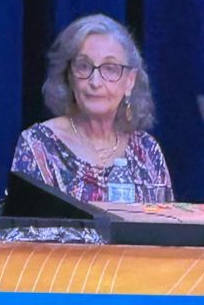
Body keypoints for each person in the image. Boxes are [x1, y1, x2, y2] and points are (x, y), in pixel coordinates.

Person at [10, 14, 173, 203]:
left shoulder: (147, 150)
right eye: (84, 67)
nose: (95, 82)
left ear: (130, 81)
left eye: (110, 68)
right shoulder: (39, 145)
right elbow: (25, 228)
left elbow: (168, 228)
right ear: (69, 76)